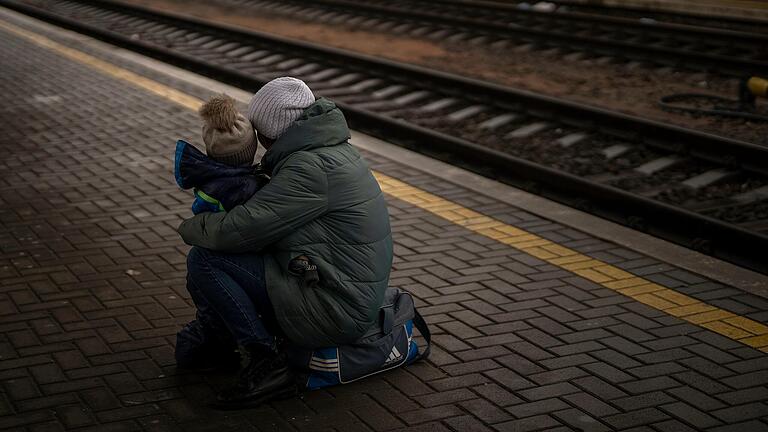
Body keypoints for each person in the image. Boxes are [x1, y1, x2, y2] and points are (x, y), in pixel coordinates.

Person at [177, 77, 393, 409]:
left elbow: (241, 229)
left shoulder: (309, 168)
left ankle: (268, 363)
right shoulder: (330, 150)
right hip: (341, 289)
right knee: (225, 263)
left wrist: (192, 225)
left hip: (335, 309)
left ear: (272, 132)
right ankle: (221, 344)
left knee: (205, 261)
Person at [173, 94, 268, 372]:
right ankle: (247, 349)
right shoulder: (243, 189)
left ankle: (211, 342)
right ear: (250, 150)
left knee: (209, 307)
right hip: (230, 263)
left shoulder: (212, 182)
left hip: (215, 263)